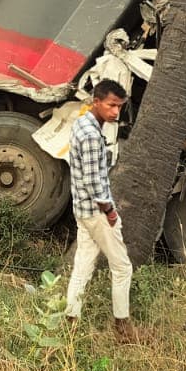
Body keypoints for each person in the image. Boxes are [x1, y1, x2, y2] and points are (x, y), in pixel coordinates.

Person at [63, 79, 145, 342]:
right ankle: (123, 328)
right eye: (111, 105)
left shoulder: (84, 125)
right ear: (96, 101)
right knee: (122, 267)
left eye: (119, 107)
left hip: (82, 211)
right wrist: (109, 210)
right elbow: (92, 179)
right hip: (97, 213)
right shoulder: (90, 135)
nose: (115, 112)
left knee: (83, 266)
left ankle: (70, 321)